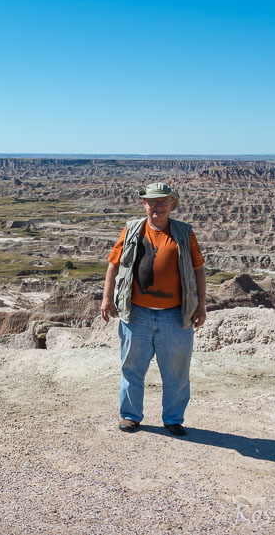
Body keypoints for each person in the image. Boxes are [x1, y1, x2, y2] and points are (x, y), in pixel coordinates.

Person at [100, 182, 206, 436]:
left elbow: (198, 269)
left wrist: (201, 305)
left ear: (171, 204)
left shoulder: (184, 232)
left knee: (177, 371)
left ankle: (173, 418)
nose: (157, 206)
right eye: (152, 201)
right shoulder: (132, 230)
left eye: (162, 201)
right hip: (136, 313)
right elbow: (113, 266)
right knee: (132, 367)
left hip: (174, 313)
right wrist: (107, 299)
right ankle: (130, 415)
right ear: (144, 204)